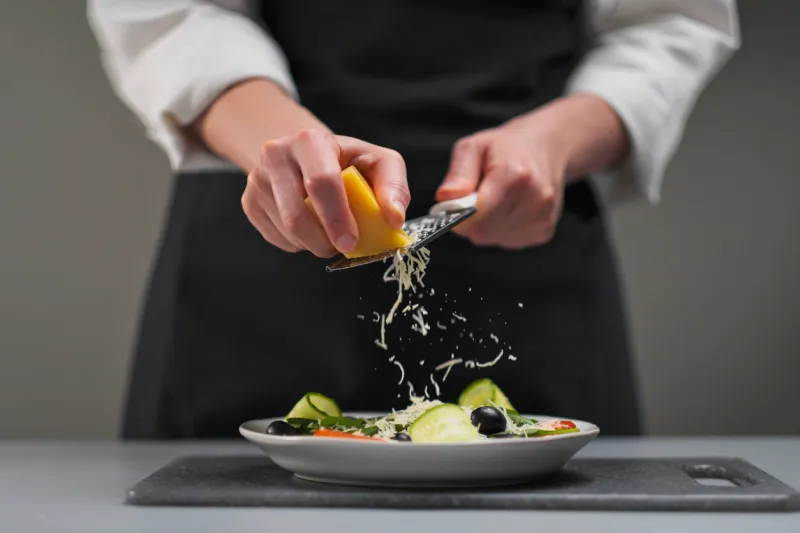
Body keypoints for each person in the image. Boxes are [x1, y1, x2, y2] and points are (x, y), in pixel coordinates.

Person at [88, 0, 739, 439]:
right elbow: (168, 13)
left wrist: (555, 143)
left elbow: (673, 19)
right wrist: (282, 144)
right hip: (262, 259)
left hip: (532, 251)